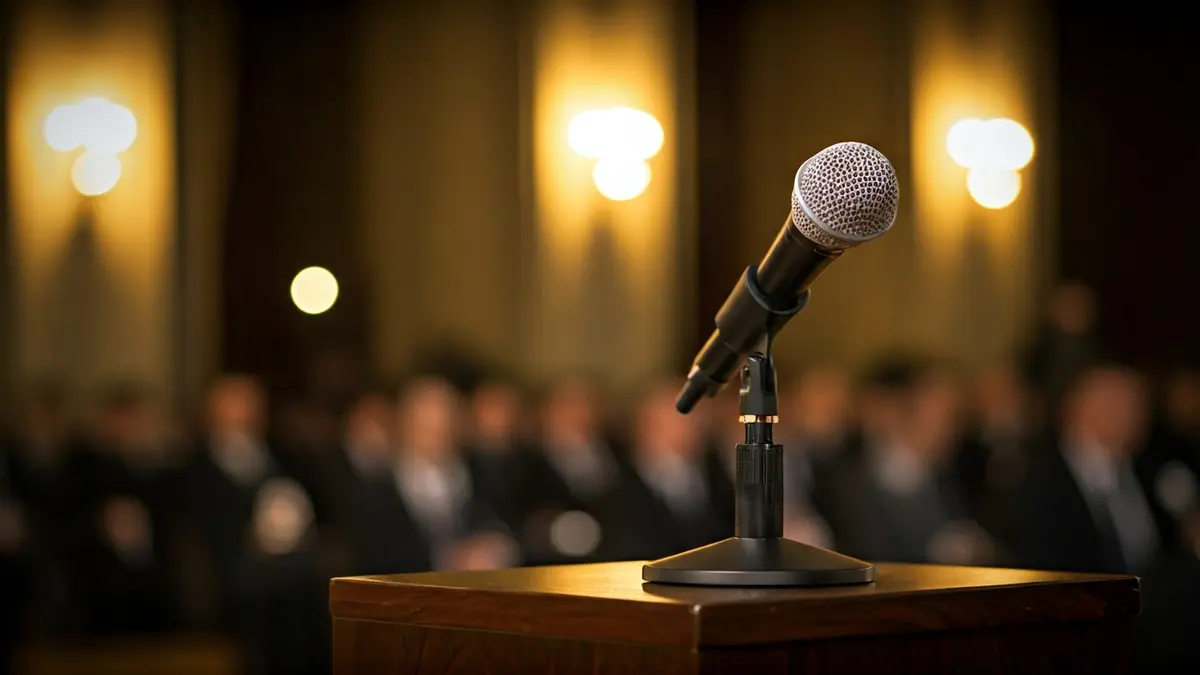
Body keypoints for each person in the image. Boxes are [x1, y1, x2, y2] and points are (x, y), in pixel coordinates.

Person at [606, 382, 730, 561]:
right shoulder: (620, 490)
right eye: (687, 416)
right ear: (650, 425)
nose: (700, 424)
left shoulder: (713, 473)